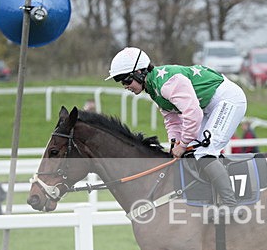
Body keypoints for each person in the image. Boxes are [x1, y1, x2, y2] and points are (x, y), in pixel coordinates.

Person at [105, 46, 247, 211]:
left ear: (139, 72)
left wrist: (183, 143)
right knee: (191, 152)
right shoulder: (153, 88)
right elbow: (172, 119)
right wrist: (175, 143)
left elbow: (192, 114)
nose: (125, 86)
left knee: (204, 153)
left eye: (126, 80)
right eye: (121, 82)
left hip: (228, 100)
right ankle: (208, 199)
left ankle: (230, 204)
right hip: (208, 107)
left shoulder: (167, 83)